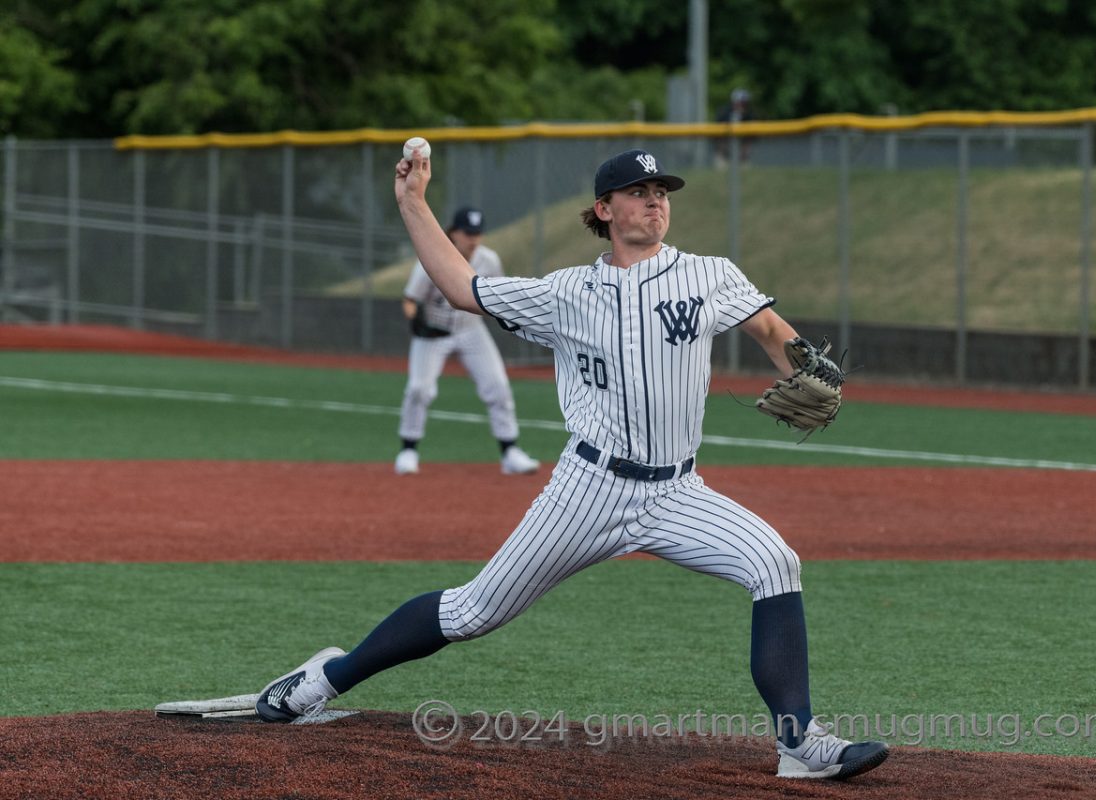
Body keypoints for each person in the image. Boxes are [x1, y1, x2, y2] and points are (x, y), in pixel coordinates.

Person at [254, 148, 889, 781]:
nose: (655, 200)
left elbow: (771, 330)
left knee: (774, 562)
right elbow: (459, 288)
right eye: (639, 191)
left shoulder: (709, 275)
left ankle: (799, 743)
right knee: (471, 613)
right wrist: (413, 202)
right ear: (604, 209)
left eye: (662, 190)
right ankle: (325, 677)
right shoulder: (565, 294)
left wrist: (805, 363)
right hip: (588, 490)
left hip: (678, 491)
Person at [394, 206, 539, 476]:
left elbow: (499, 296)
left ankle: (510, 452)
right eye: (467, 233)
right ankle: (408, 450)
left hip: (471, 329)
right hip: (434, 330)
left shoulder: (488, 260)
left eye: (477, 233)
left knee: (497, 385)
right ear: (453, 233)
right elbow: (410, 301)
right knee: (419, 389)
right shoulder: (432, 259)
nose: (473, 239)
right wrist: (416, 322)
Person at [715, 88, 755, 167]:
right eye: (740, 103)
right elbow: (717, 136)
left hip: (742, 155)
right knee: (720, 170)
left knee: (746, 172)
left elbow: (750, 139)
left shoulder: (749, 115)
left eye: (744, 103)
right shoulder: (725, 113)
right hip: (724, 153)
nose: (742, 105)